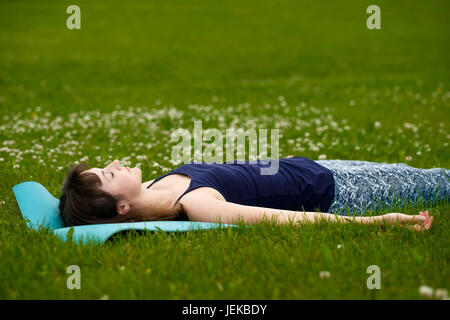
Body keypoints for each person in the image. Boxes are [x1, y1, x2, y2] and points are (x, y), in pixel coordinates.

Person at [58, 157, 448, 231]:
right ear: (122, 206)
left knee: (427, 175)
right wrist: (378, 223)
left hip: (317, 166)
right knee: (438, 183)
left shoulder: (156, 186)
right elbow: (291, 220)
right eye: (109, 174)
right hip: (336, 192)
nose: (116, 164)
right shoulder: (196, 205)